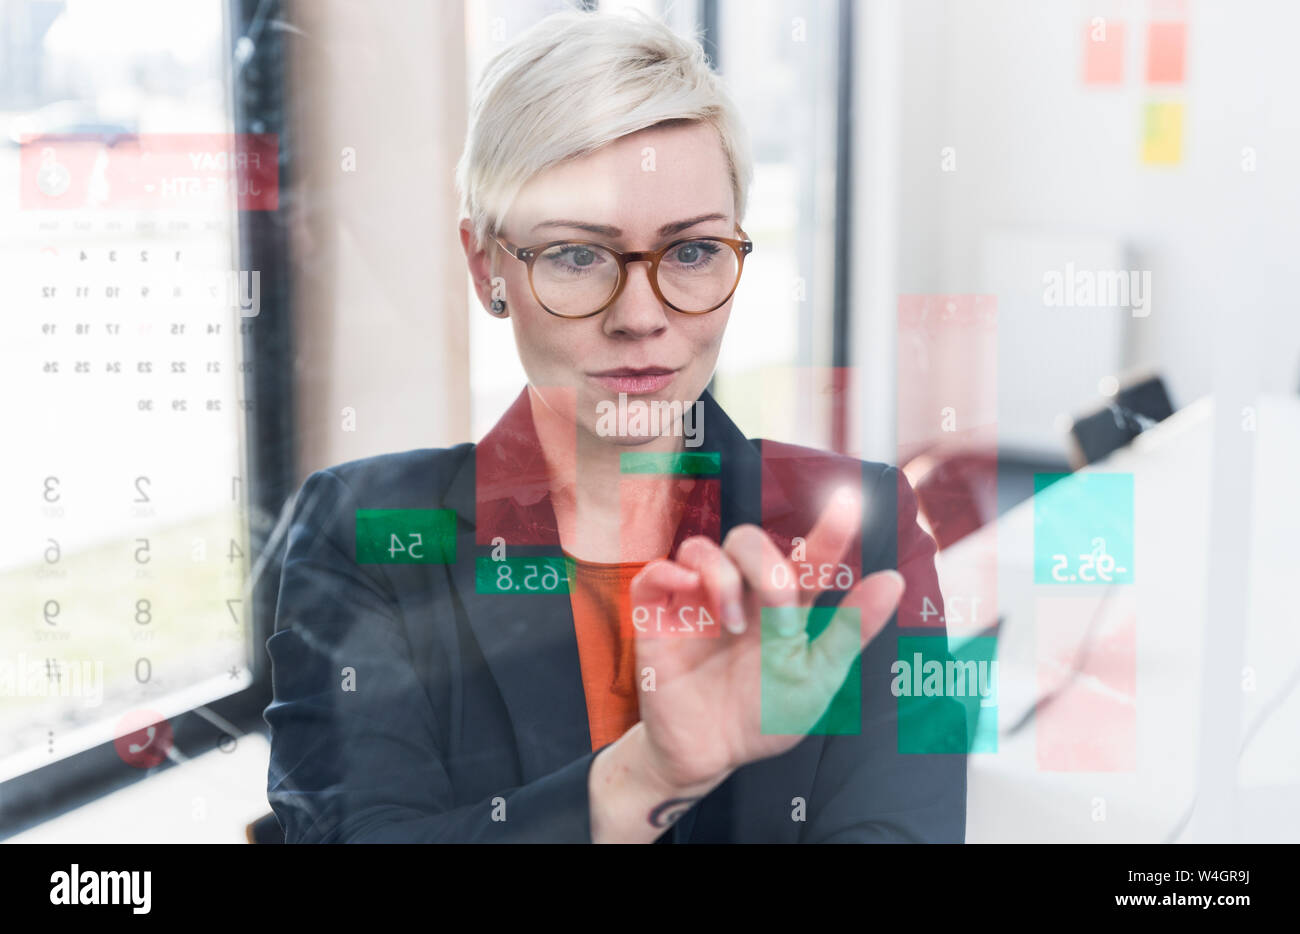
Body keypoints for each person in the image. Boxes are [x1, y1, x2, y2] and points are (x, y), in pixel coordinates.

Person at [264, 7, 966, 843]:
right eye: (576, 254)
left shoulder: (860, 525)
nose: (641, 315)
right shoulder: (363, 533)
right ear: (487, 264)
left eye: (694, 251)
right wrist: (646, 778)